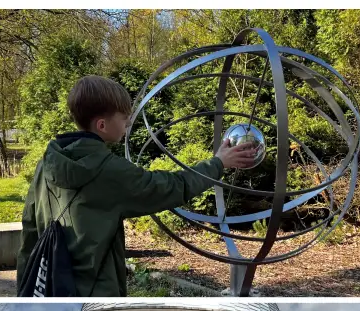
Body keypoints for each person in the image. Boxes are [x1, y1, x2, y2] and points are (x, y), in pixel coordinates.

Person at [17, 75, 258, 297]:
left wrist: (24, 291)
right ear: (102, 125)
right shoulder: (110, 171)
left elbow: (29, 232)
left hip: (48, 286)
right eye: (124, 118)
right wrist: (218, 163)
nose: (129, 123)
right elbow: (171, 187)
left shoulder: (47, 163)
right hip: (94, 292)